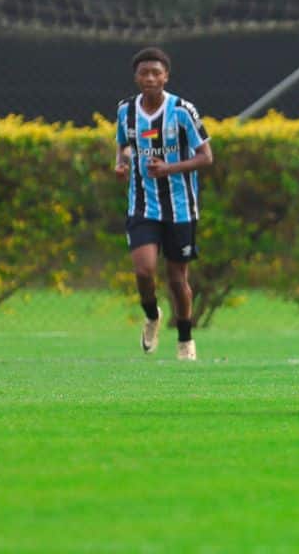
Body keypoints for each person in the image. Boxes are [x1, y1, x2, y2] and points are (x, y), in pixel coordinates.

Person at [114, 47, 213, 361]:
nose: (150, 78)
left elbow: (206, 157)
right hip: (142, 205)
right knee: (143, 271)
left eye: (156, 73)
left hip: (181, 207)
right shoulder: (125, 111)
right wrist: (122, 163)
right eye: (144, 73)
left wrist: (168, 168)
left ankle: (185, 339)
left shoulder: (183, 110)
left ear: (166, 76)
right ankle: (152, 315)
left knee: (177, 279)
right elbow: (124, 146)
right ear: (136, 77)